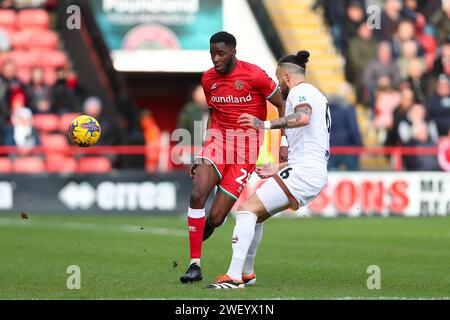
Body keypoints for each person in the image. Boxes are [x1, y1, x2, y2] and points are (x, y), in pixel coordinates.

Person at [206, 50, 330, 289]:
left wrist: (262, 124)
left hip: (305, 172)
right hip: (308, 169)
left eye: (277, 79)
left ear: (286, 76)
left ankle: (233, 277)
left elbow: (302, 118)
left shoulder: (300, 91)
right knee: (257, 216)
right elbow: (313, 145)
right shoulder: (319, 95)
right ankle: (247, 274)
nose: (279, 87)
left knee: (246, 209)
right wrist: (280, 166)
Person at [179, 31, 286, 284]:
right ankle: (194, 264)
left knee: (216, 217)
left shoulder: (255, 75)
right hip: (218, 141)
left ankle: (208, 225)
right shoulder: (208, 80)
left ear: (233, 52)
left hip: (247, 149)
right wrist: (202, 150)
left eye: (221, 53)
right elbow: (214, 115)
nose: (215, 58)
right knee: (197, 193)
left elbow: (282, 104)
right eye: (212, 53)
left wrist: (283, 141)